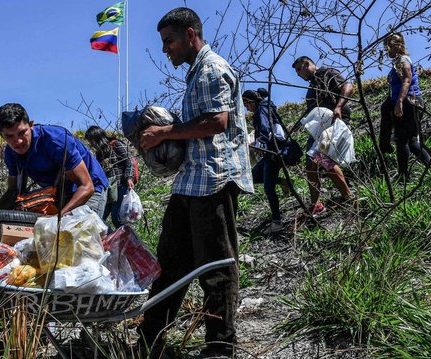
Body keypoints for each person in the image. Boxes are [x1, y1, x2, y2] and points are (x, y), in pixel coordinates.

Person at [136, 7, 254, 358]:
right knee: (170, 266)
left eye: (169, 41)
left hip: (214, 182)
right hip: (191, 184)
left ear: (190, 35)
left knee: (215, 269)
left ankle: (220, 347)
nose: (165, 49)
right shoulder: (197, 73)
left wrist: (164, 133)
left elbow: (217, 121)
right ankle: (149, 342)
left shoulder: (212, 68)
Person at [0, 103, 108, 217]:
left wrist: (57, 219)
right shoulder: (11, 153)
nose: (18, 141)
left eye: (22, 133)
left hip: (90, 187)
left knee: (79, 230)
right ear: (1, 135)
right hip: (61, 192)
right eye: (10, 136)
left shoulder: (56, 141)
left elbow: (87, 187)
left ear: (31, 125)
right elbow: (14, 192)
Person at [292, 56, 354, 215]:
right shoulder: (311, 88)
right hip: (318, 128)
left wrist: (339, 107)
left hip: (333, 122)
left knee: (321, 158)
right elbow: (311, 112)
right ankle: (316, 204)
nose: (299, 74)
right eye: (297, 71)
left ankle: (348, 196)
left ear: (307, 64)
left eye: (300, 69)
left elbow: (347, 87)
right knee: (310, 165)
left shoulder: (327, 73)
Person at [380, 33, 431, 182]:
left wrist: (400, 102)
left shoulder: (403, 60)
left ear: (397, 46)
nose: (386, 50)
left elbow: (407, 80)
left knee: (401, 139)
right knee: (411, 140)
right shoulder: (398, 62)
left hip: (410, 101)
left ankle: (403, 176)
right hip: (410, 101)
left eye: (388, 46)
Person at [242, 89, 291, 232]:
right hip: (275, 149)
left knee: (268, 188)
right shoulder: (268, 107)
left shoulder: (261, 109)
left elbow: (264, 127)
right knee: (252, 178)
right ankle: (284, 182)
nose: (246, 108)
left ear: (251, 101)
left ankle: (277, 222)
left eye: (246, 104)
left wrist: (261, 143)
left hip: (272, 152)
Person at [84, 125, 135, 229]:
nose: (91, 144)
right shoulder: (100, 152)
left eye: (91, 140)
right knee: (100, 216)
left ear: (97, 138)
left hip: (121, 185)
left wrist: (129, 177)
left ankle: (126, 241)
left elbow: (129, 161)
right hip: (108, 188)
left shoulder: (116, 144)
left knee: (117, 217)